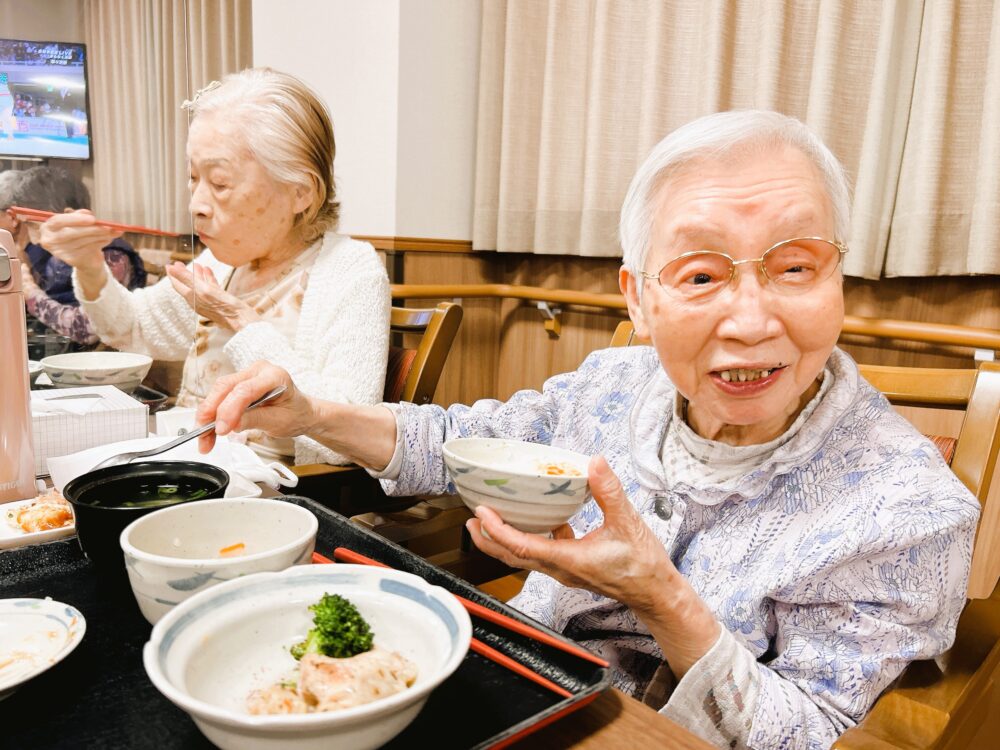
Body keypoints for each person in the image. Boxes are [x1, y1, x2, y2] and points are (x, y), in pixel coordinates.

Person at [194, 110, 979, 748]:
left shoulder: (909, 508)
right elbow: (458, 441)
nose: (750, 319)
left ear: (839, 277)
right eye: (702, 275)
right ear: (637, 299)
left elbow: (808, 734)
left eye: (796, 266)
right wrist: (312, 413)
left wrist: (659, 596)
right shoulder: (614, 385)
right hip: (522, 689)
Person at [35, 68, 391, 464]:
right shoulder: (223, 264)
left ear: (300, 193)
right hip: (190, 463)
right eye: (193, 178)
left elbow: (342, 442)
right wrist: (88, 264)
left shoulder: (351, 271)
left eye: (220, 183)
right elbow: (130, 328)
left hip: (277, 498)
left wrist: (237, 318)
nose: (196, 205)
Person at [0, 166, 146, 345]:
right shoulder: (57, 258)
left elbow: (86, 329)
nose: (35, 241)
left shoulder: (110, 255)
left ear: (68, 215)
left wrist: (31, 293)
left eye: (34, 226)